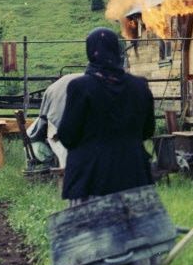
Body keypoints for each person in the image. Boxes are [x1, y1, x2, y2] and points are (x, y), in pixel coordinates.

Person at [57, 27, 156, 204]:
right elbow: (148, 131)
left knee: (92, 230)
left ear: (90, 50)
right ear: (116, 50)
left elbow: (68, 136)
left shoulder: (80, 87)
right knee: (130, 230)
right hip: (133, 176)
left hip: (91, 179)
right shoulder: (140, 86)